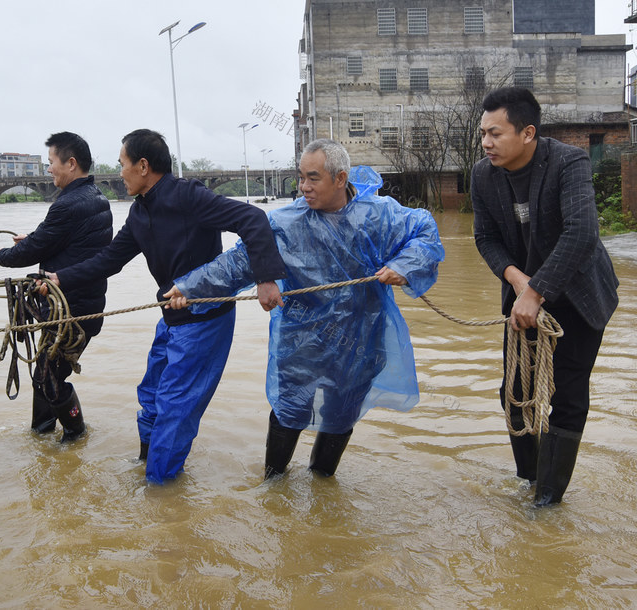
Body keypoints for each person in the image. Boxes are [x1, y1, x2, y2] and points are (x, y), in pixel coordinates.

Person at [166, 139, 444, 479]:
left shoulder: (379, 216)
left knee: (341, 416)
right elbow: (238, 262)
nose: (304, 187)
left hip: (357, 341)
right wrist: (189, 287)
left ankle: (322, 483)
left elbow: (425, 231)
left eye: (313, 178)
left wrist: (405, 264)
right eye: (300, 177)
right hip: (302, 340)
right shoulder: (286, 222)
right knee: (288, 411)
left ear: (340, 179)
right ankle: (273, 482)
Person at [46, 129, 286, 484]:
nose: (119, 172)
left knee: (175, 409)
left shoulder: (188, 197)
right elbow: (109, 259)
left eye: (123, 164)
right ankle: (150, 467)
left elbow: (252, 220)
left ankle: (160, 496)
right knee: (152, 396)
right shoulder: (140, 213)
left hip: (204, 320)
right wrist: (59, 279)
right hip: (171, 318)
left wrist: (266, 279)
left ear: (143, 166)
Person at [471, 87, 618, 506]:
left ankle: (547, 503)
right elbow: (485, 237)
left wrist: (537, 290)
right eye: (483, 133)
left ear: (528, 132)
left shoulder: (567, 162)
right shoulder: (483, 175)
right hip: (523, 300)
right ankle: (528, 481)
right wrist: (519, 283)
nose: (486, 143)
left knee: (567, 397)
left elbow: (581, 234)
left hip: (579, 296)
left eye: (495, 133)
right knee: (514, 393)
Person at [0, 131, 112, 442]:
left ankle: (76, 435)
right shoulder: (96, 197)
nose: (48, 170)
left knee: (48, 377)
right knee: (45, 375)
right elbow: (62, 241)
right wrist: (32, 239)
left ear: (70, 164)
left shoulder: (68, 204)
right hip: (85, 307)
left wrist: (2, 256)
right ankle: (41, 434)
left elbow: (29, 253)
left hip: (69, 311)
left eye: (51, 163)